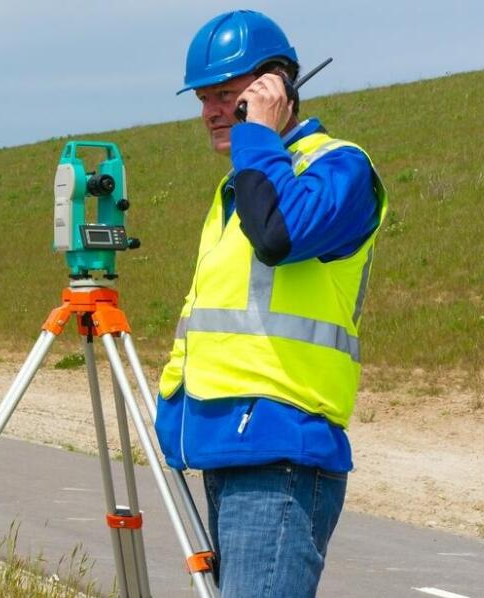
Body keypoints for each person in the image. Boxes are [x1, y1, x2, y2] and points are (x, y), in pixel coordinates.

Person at [154, 9, 388, 598]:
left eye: (227, 96)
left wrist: (257, 136)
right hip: (223, 445)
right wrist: (172, 410)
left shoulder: (340, 167)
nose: (210, 112)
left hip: (281, 454)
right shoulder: (240, 187)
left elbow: (279, 237)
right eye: (203, 98)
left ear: (275, 90)